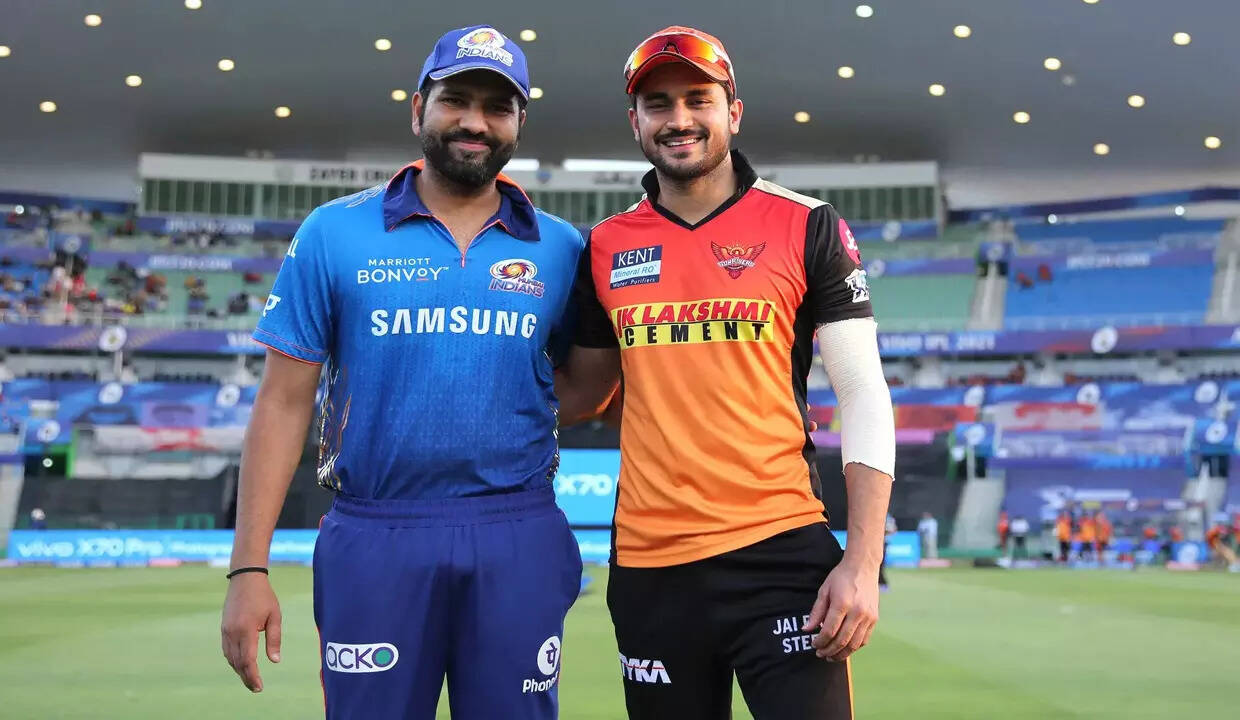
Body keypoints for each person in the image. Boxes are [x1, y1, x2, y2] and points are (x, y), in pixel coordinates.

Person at [219, 25, 584, 720]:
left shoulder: (562, 248)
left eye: (497, 107)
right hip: (374, 534)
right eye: (455, 101)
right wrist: (248, 568)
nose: (475, 122)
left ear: (519, 124)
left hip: (516, 530)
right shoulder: (334, 231)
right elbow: (284, 403)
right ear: (418, 109)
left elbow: (586, 385)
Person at [554, 26, 894, 720]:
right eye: (657, 104)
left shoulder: (808, 224)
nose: (678, 118)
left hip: (781, 552)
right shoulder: (604, 246)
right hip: (650, 566)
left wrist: (862, 563)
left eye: (697, 99)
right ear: (635, 122)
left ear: (732, 113)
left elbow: (862, 393)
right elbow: (581, 393)